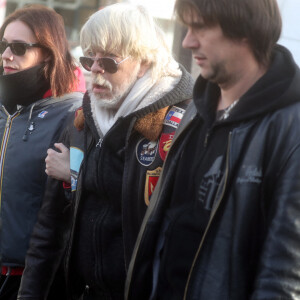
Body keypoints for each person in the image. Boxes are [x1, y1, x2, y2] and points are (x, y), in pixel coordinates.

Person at [125, 0, 300, 299]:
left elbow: (284, 276)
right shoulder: (195, 111)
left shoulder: (290, 128)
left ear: (244, 28)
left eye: (200, 28)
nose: (187, 41)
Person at [17, 3, 194, 300]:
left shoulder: (181, 124)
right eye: (89, 60)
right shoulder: (81, 120)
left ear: (144, 63)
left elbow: (180, 233)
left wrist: (75, 172)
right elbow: (49, 229)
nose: (96, 70)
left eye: (109, 62)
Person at [0, 4, 85, 300]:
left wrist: (73, 173)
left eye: (19, 47)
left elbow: (94, 189)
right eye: (4, 45)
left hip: (36, 280)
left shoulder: (72, 112)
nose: (6, 55)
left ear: (47, 53)